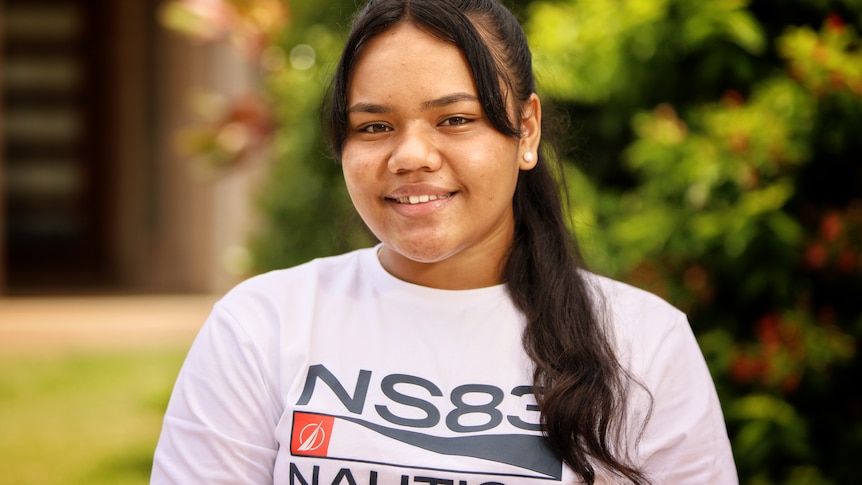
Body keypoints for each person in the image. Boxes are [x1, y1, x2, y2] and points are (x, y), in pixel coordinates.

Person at [151, 0, 738, 483]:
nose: (411, 157)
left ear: (525, 131)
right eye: (375, 126)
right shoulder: (261, 325)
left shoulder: (643, 344)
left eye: (455, 119)